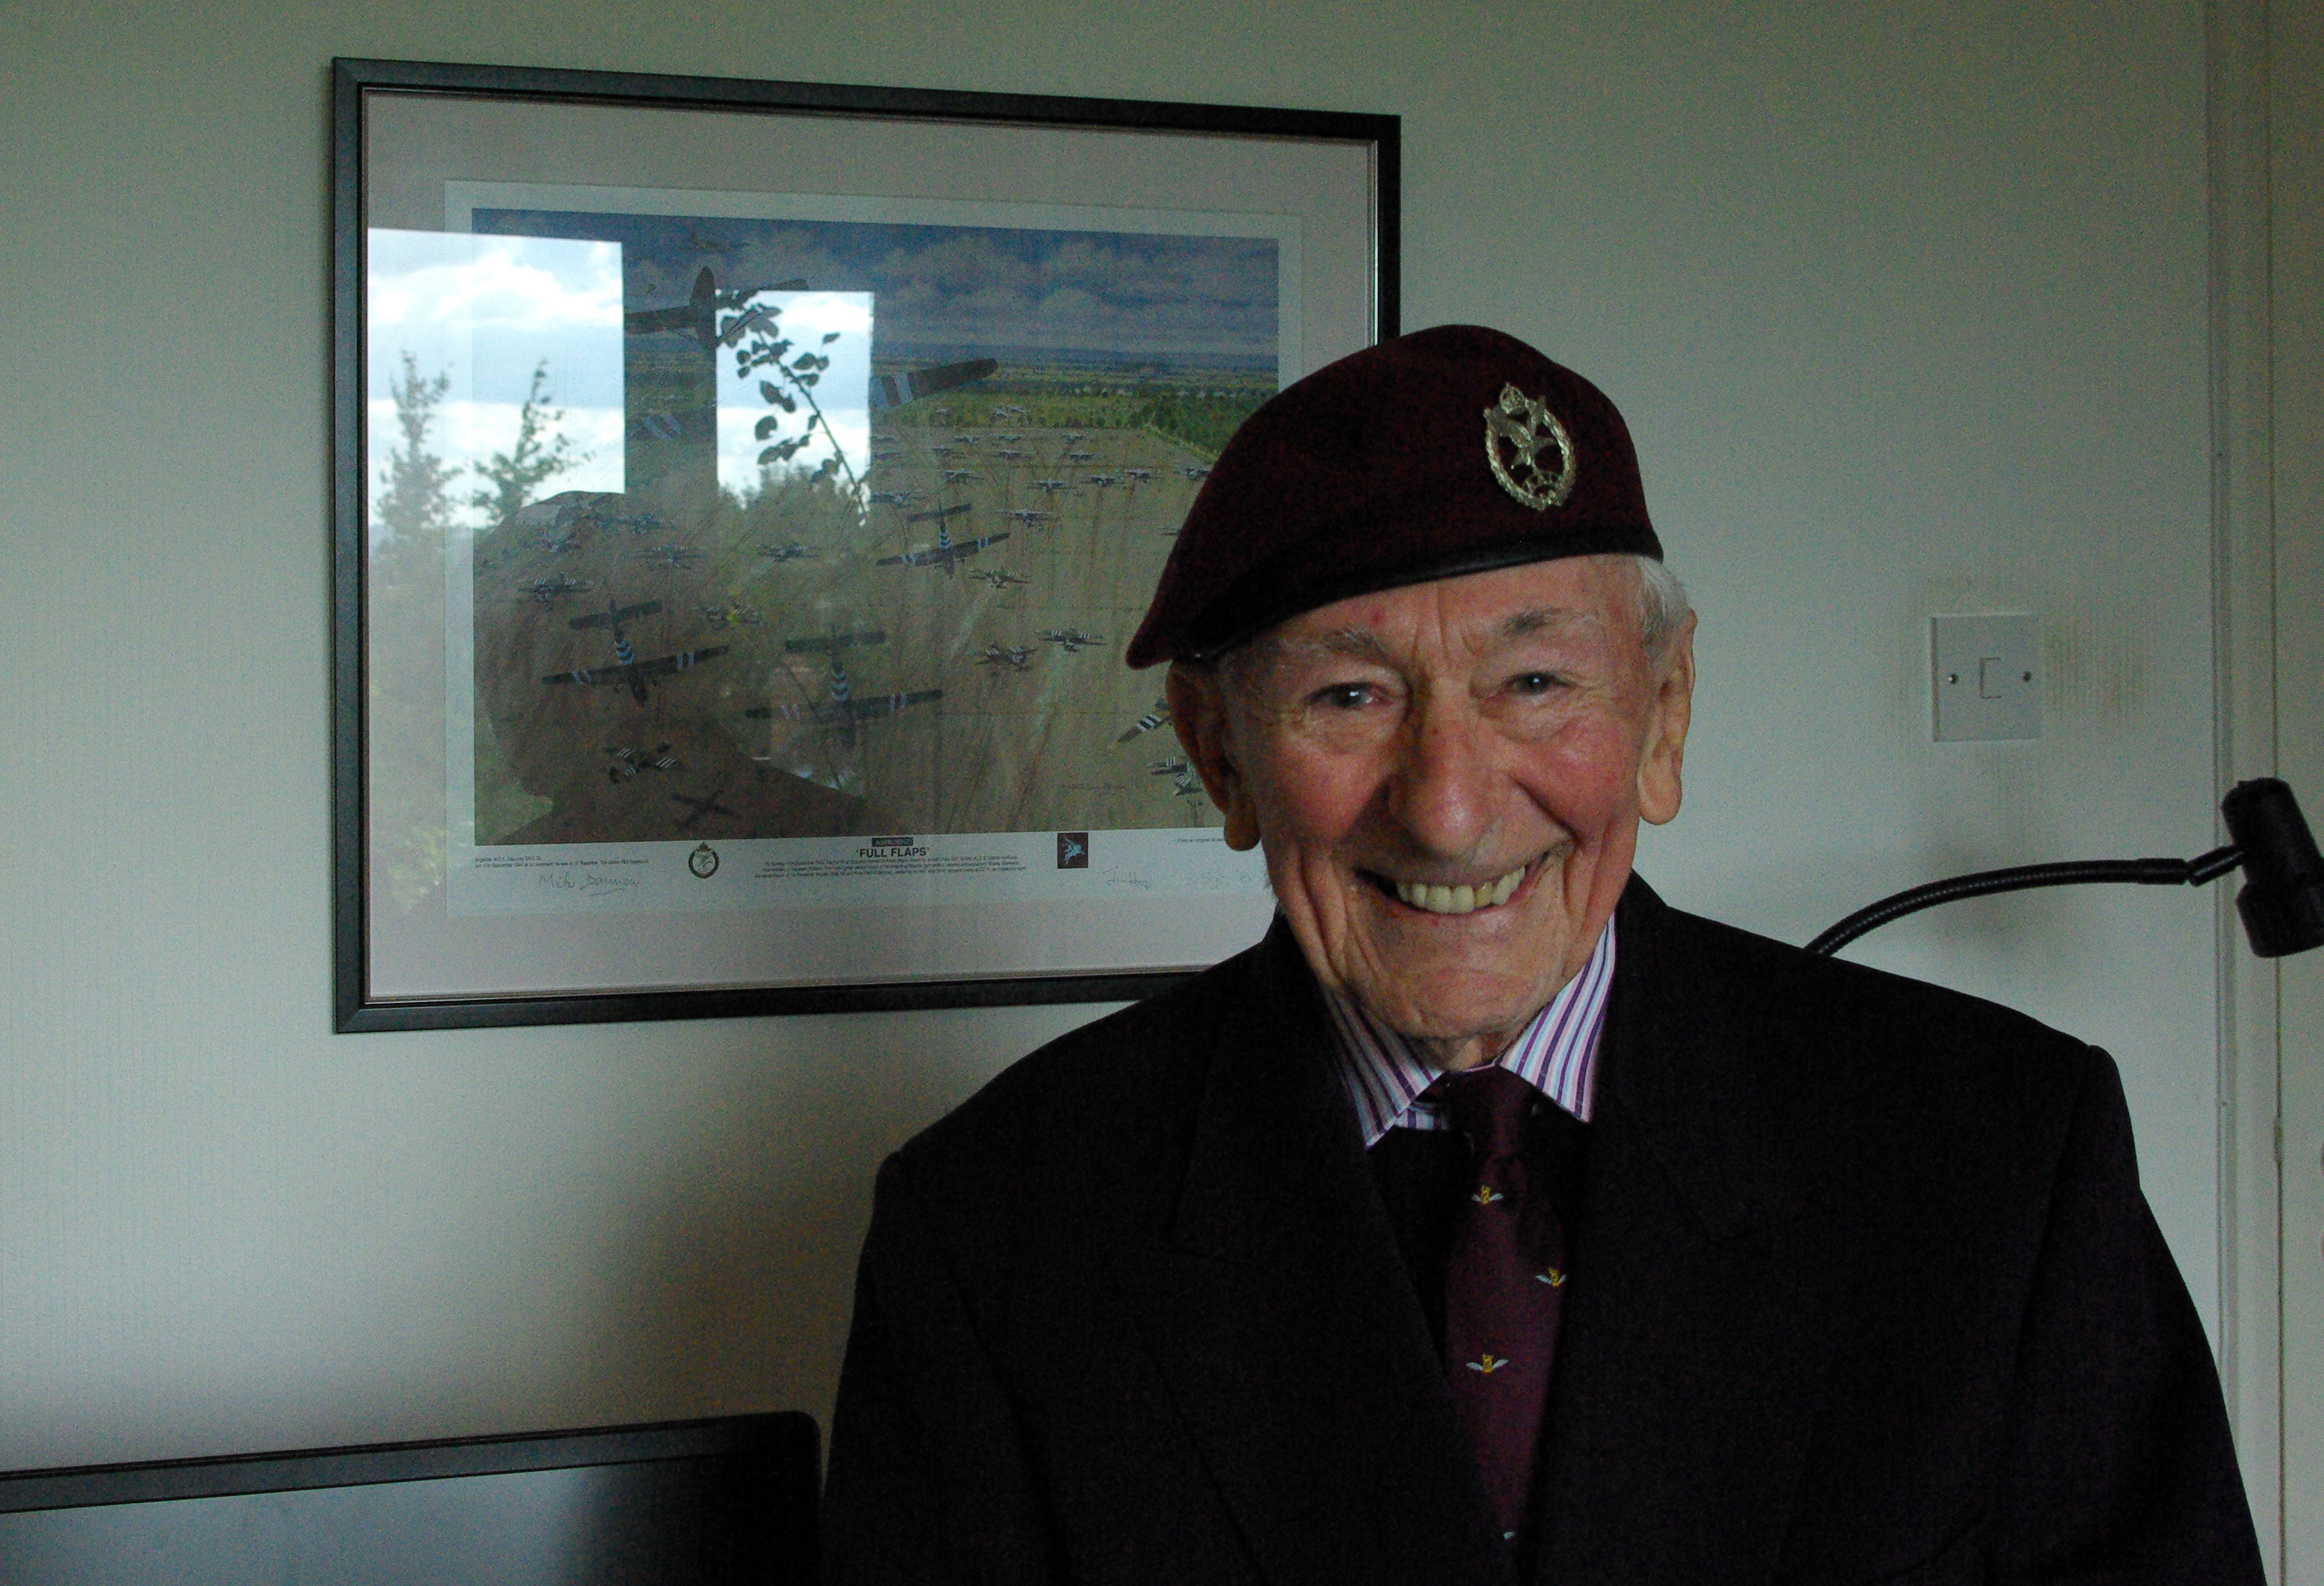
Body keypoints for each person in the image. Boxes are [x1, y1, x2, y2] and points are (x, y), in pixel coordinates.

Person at [819, 326, 2263, 1586]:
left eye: (1533, 682)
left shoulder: (1998, 1155)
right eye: (1348, 694)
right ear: (1221, 756)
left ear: (1664, 714)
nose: (1448, 809)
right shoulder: (998, 1226)